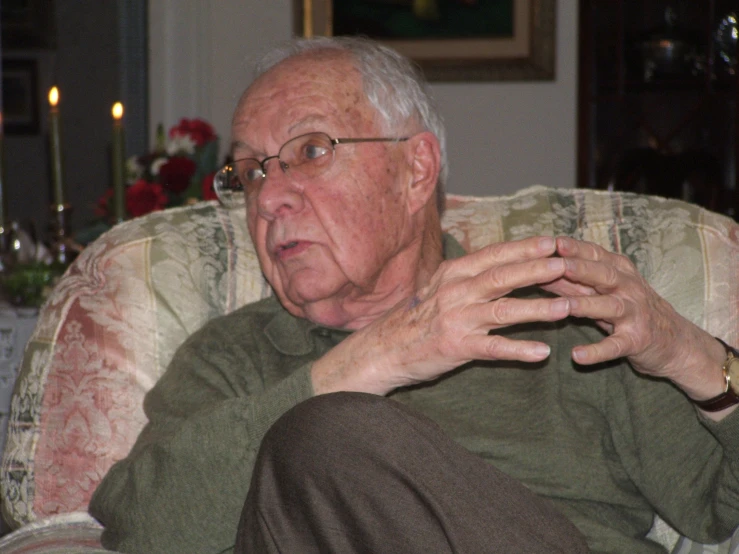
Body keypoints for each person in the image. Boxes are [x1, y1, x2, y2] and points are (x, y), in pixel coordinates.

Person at [89, 36, 739, 554]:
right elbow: (141, 530)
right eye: (250, 171)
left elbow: (717, 506)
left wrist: (692, 355)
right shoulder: (228, 358)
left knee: (324, 435)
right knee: (320, 434)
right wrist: (368, 363)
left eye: (310, 150)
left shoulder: (561, 311)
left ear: (415, 170)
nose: (270, 195)